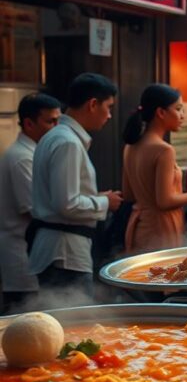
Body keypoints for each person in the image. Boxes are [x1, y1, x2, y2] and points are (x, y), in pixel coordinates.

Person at [28, 74, 123, 296]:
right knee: (75, 322)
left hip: (60, 248)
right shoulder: (67, 142)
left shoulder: (57, 137)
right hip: (63, 252)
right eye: (108, 107)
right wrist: (104, 202)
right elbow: (66, 204)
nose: (109, 115)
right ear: (92, 104)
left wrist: (96, 197)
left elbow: (62, 197)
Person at [122, 84, 187, 253]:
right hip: (161, 229)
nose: (182, 115)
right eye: (178, 109)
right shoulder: (164, 150)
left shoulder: (130, 146)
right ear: (161, 112)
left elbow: (129, 194)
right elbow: (165, 201)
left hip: (139, 226)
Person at [0, 93, 60, 309]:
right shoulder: (21, 157)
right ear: (28, 123)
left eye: (58, 121)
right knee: (23, 318)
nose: (56, 127)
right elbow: (34, 209)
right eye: (50, 121)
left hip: (29, 250)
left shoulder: (32, 152)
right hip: (21, 252)